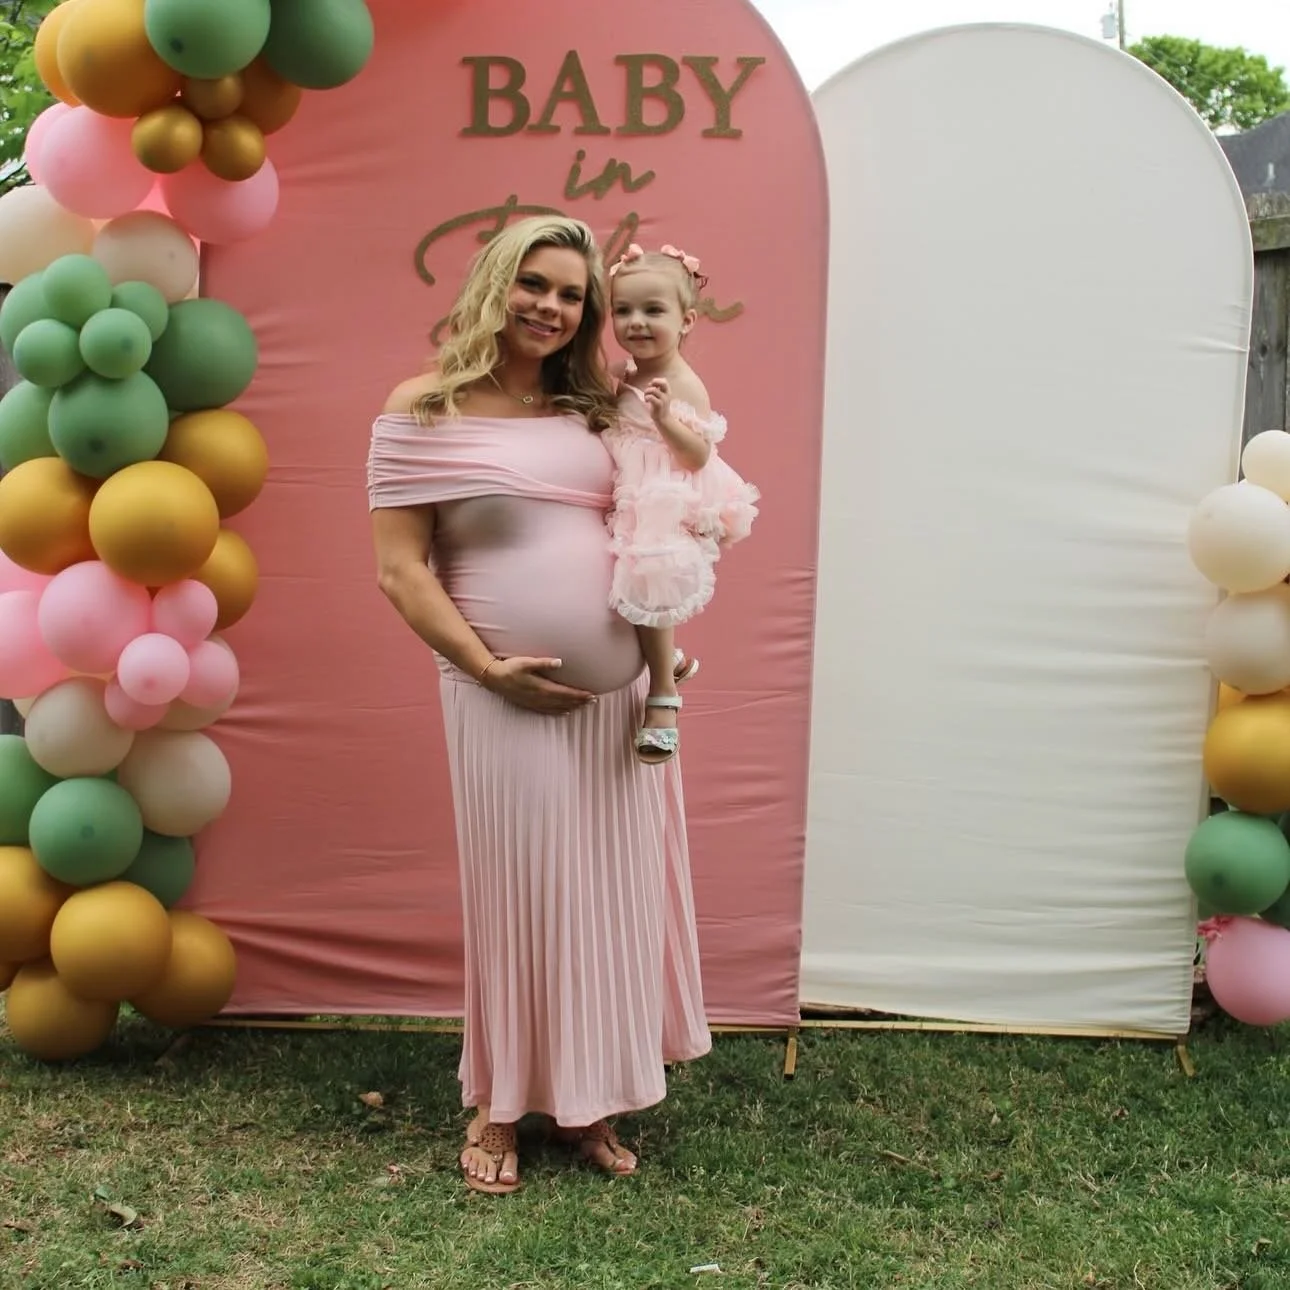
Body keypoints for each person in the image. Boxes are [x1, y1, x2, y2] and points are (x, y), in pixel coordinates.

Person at [366, 216, 711, 1196]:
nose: (551, 308)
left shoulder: (599, 410)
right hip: (498, 694)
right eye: (535, 284)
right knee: (522, 894)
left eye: (571, 294)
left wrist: (666, 652)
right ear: (495, 283)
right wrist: (486, 667)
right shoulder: (424, 409)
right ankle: (499, 1106)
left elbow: (660, 521)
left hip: (623, 710)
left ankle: (590, 1100)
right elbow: (400, 572)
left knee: (606, 894)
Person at [603, 243, 759, 763]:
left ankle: (663, 698)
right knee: (615, 583)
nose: (636, 322)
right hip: (629, 485)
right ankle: (670, 661)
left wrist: (667, 419)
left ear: (686, 320)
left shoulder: (684, 384)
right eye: (623, 311)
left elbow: (697, 456)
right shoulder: (630, 371)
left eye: (653, 311)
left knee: (648, 581)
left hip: (662, 498)